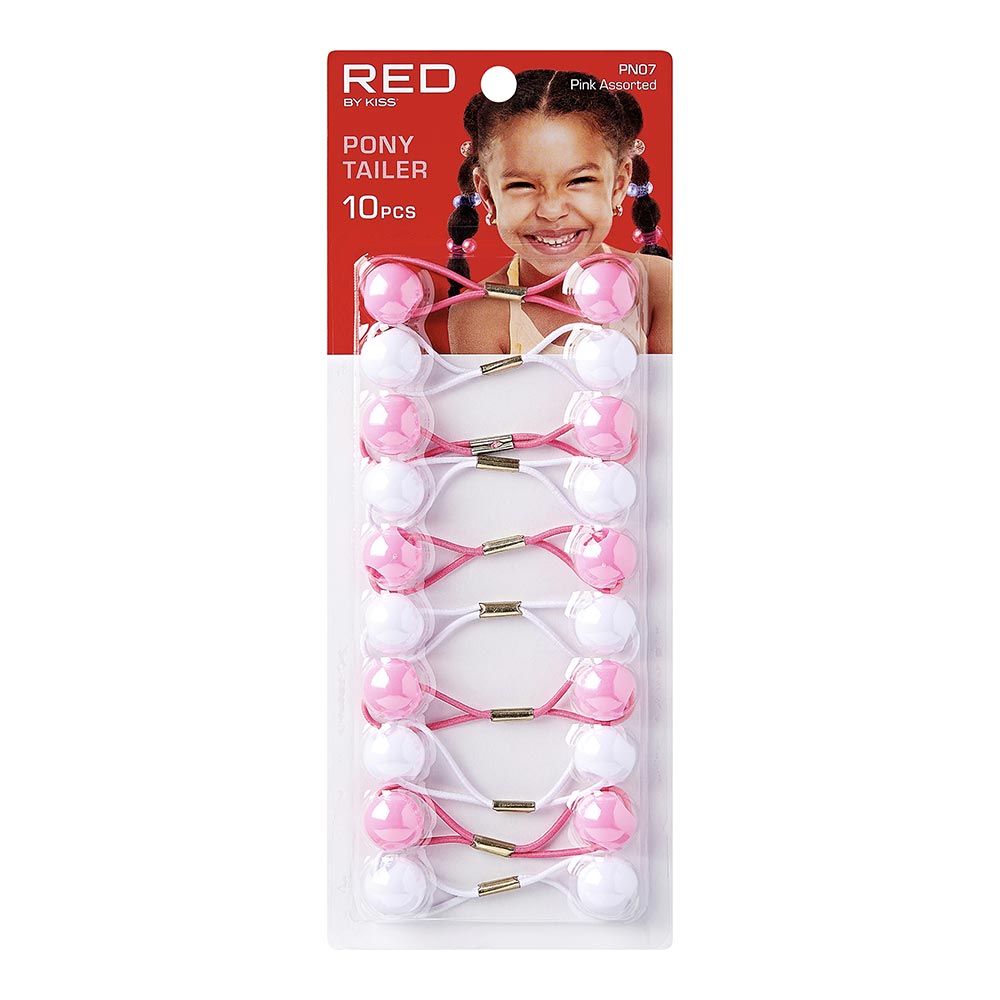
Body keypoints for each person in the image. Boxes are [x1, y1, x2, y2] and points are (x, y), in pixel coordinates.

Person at [446, 69, 672, 355]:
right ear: (488, 195)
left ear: (618, 185)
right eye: (522, 185)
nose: (552, 211)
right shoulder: (479, 314)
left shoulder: (660, 285)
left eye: (579, 180)